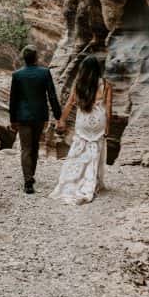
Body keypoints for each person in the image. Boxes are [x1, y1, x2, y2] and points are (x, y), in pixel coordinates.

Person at [50, 54, 113, 205]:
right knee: (95, 151)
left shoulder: (79, 83)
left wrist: (62, 121)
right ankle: (92, 182)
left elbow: (70, 103)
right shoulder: (105, 83)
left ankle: (72, 180)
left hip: (83, 120)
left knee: (78, 150)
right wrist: (108, 126)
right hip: (98, 120)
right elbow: (108, 107)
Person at [9, 45, 62, 194]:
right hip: (39, 116)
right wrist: (58, 116)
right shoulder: (45, 73)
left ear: (24, 58)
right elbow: (51, 95)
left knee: (26, 148)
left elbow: (13, 99)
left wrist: (12, 119)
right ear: (36, 57)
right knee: (35, 146)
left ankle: (28, 180)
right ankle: (30, 176)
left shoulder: (17, 75)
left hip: (23, 116)